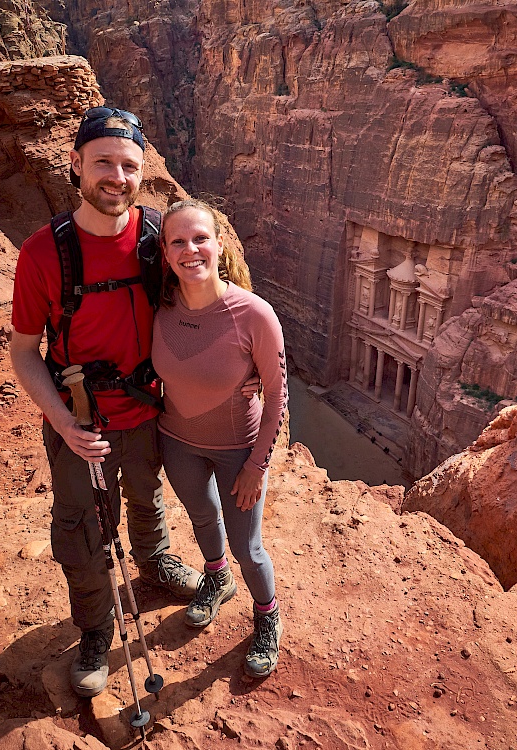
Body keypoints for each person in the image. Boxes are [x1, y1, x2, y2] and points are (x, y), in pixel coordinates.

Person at [10, 108, 257, 698]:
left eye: (129, 166)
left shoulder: (158, 239)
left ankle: (155, 562)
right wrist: (63, 422)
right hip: (81, 420)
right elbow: (23, 352)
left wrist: (244, 372)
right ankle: (96, 630)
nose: (116, 177)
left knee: (146, 497)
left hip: (149, 411)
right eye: (103, 163)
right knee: (83, 529)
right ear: (75, 164)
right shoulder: (43, 254)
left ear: (142, 173)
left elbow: (217, 298)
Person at [151, 199, 288, 678]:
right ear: (165, 254)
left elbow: (277, 395)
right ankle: (215, 575)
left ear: (220, 245)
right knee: (202, 516)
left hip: (238, 452)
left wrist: (257, 465)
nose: (191, 250)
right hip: (177, 442)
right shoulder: (158, 307)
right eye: (178, 242)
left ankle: (267, 616)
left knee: (248, 548)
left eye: (200, 238)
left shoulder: (254, 314)